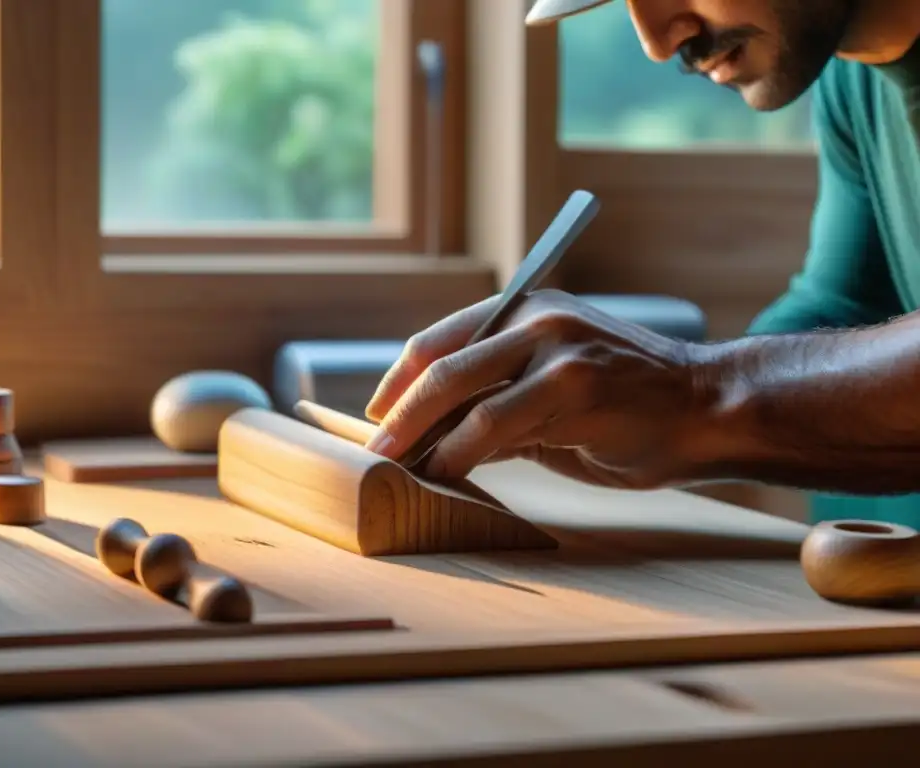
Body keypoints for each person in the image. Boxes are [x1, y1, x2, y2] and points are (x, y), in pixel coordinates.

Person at [363, 0, 920, 522]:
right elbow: (843, 305)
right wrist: (630, 407)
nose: (655, 40)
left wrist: (698, 396)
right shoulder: (854, 81)